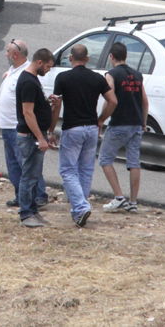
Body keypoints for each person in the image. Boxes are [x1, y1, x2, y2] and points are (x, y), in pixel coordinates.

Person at [51, 44, 117, 227]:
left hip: (72, 128)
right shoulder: (97, 78)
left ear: (70, 58)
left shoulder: (63, 77)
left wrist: (51, 129)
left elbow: (56, 105)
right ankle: (80, 209)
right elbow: (113, 101)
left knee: (68, 170)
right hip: (91, 128)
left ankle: (81, 207)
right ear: (87, 59)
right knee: (86, 170)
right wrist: (101, 119)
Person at [100, 41, 149, 214]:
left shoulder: (111, 75)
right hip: (136, 123)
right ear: (126, 56)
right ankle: (133, 202)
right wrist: (143, 122)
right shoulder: (137, 75)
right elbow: (144, 101)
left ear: (111, 56)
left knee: (105, 159)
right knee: (134, 162)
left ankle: (119, 196)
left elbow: (111, 99)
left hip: (119, 123)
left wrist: (102, 119)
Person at [15, 48, 56, 228]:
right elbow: (28, 113)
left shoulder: (33, 80)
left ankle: (32, 210)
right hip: (31, 137)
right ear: (39, 62)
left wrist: (47, 103)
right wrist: (41, 138)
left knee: (33, 175)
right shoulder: (28, 82)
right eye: (47, 66)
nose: (48, 70)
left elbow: (35, 108)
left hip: (35, 136)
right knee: (29, 176)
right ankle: (26, 213)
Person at [0, 38, 30, 207]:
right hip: (7, 125)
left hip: (17, 127)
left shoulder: (26, 73)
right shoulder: (13, 70)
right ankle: (20, 195)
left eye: (7, 52)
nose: (5, 55)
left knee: (25, 165)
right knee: (13, 165)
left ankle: (37, 196)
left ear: (15, 55)